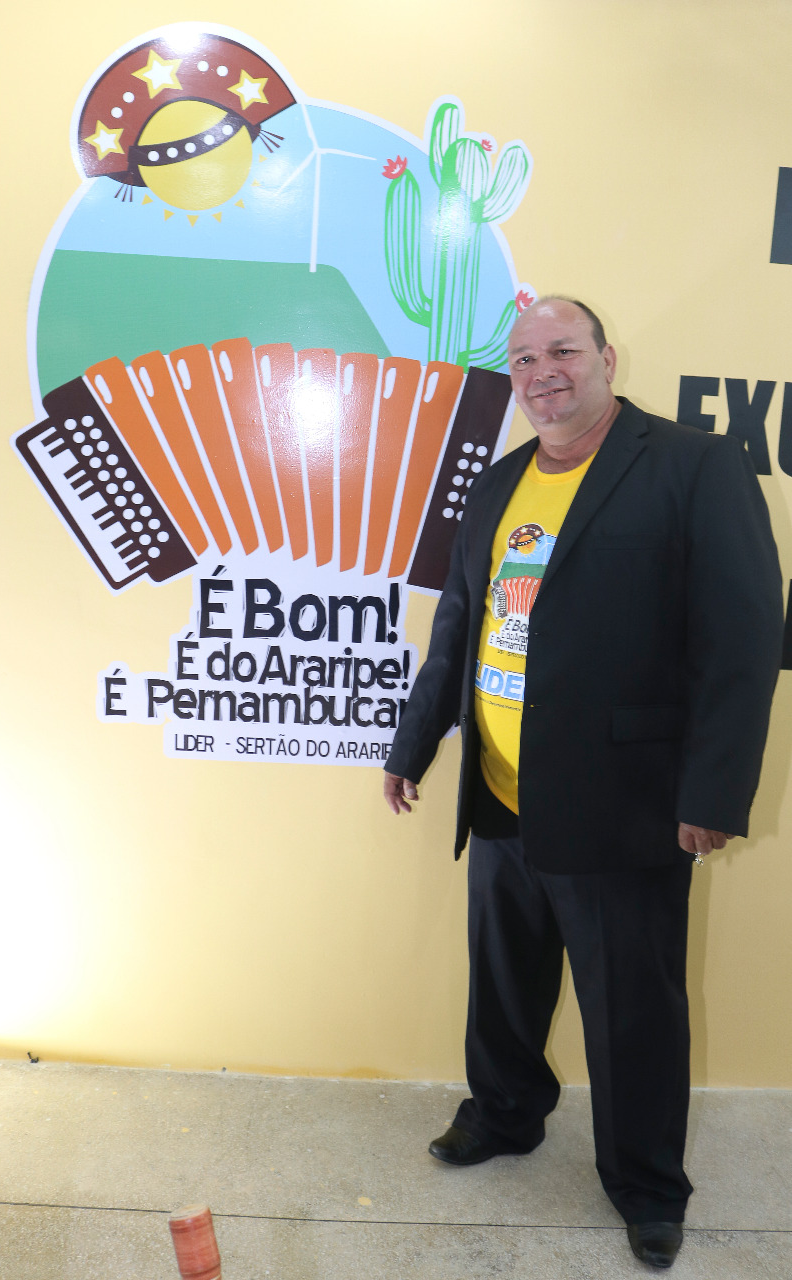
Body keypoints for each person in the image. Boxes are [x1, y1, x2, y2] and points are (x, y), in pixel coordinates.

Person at [383, 297, 784, 1270]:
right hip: (500, 792)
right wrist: (413, 742)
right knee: (503, 981)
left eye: (561, 350)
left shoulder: (693, 465)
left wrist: (709, 794)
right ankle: (505, 1112)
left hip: (625, 800)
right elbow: (459, 621)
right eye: (523, 359)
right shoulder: (500, 481)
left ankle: (646, 1184)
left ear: (606, 356)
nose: (541, 372)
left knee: (630, 1006)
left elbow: (740, 642)